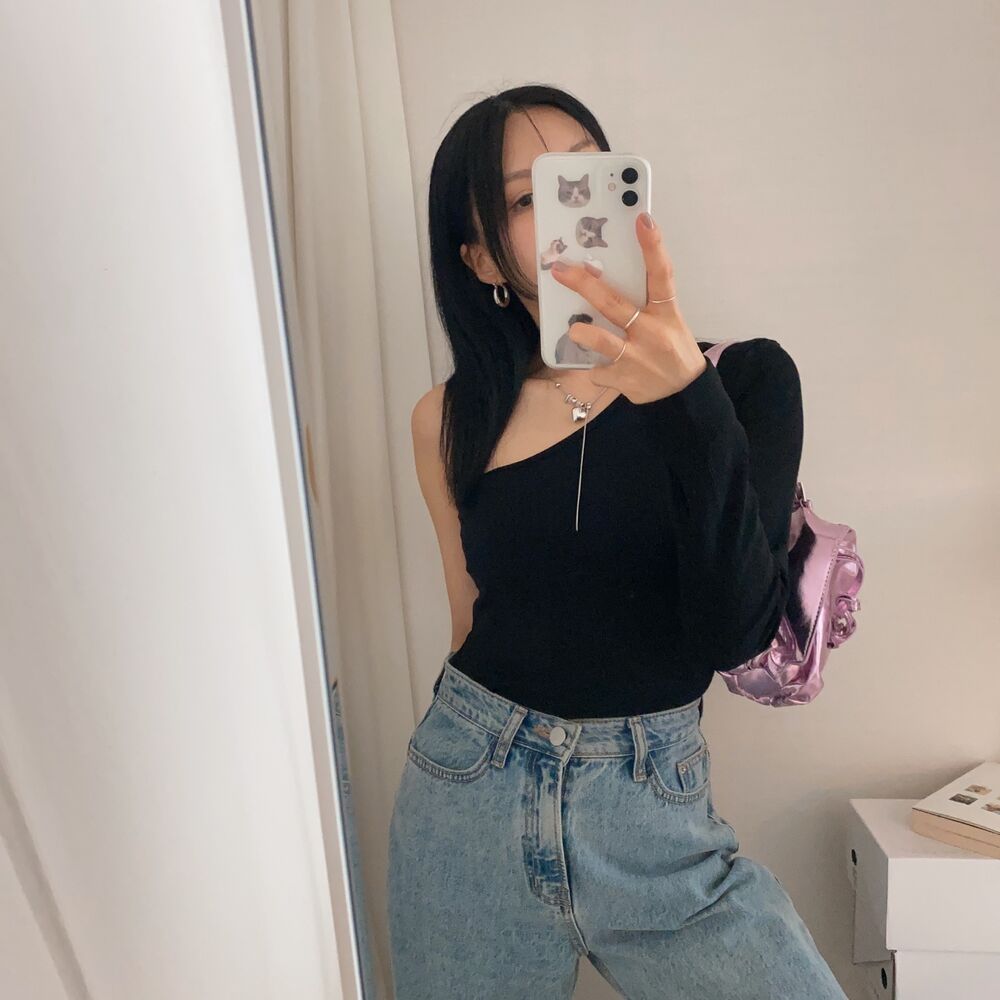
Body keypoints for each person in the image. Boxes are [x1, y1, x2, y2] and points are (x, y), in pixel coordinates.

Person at [387, 84, 848, 1000]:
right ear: (480, 256)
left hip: (655, 816)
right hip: (469, 790)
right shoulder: (446, 419)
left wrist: (686, 399)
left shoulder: (746, 380)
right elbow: (467, 619)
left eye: (589, 174)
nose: (575, 207)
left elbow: (734, 632)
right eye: (528, 197)